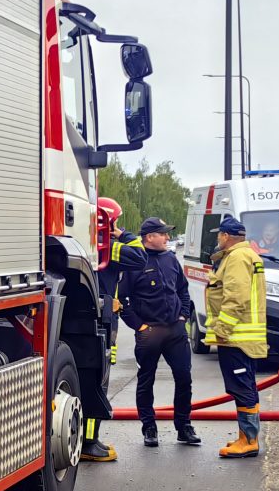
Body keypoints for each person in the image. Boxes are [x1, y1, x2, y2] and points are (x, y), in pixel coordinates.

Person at [118, 217, 200, 447]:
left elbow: (183, 290)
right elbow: (121, 300)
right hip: (149, 333)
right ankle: (149, 428)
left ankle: (184, 427)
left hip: (175, 330)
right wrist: (140, 326)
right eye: (163, 234)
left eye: (167, 234)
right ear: (149, 237)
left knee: (184, 377)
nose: (167, 238)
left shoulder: (170, 258)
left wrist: (183, 315)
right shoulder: (134, 262)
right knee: (146, 381)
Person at [82, 197, 147, 462]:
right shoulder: (108, 247)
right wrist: (125, 235)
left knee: (89, 383)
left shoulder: (90, 245)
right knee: (97, 385)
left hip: (94, 320)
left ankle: (86, 440)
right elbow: (140, 257)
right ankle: (89, 442)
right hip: (102, 324)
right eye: (116, 222)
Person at [204, 215, 267, 458]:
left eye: (219, 235)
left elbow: (236, 298)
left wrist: (221, 330)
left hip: (237, 338)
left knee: (242, 388)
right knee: (246, 387)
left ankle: (249, 440)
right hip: (243, 338)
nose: (218, 238)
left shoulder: (237, 258)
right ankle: (246, 436)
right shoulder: (245, 255)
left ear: (226, 236)